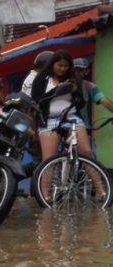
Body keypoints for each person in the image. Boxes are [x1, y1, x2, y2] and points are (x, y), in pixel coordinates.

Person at [30, 50, 92, 197]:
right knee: (49, 159)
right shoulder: (42, 78)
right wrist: (57, 90)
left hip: (71, 117)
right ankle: (45, 194)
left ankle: (101, 190)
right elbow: (37, 102)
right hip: (49, 120)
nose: (62, 69)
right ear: (53, 64)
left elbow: (81, 104)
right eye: (59, 65)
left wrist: (76, 92)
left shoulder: (72, 78)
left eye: (66, 66)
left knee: (87, 152)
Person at [73, 57, 113, 134]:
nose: (76, 72)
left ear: (87, 71)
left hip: (83, 127)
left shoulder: (89, 86)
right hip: (64, 127)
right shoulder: (63, 85)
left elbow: (104, 100)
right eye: (74, 70)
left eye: (80, 70)